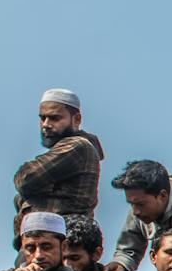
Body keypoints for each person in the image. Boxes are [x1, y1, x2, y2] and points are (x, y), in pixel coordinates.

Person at [13, 90, 105, 242]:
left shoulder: (78, 146)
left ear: (76, 119)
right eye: (42, 118)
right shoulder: (65, 150)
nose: (46, 125)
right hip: (41, 241)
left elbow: (25, 178)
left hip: (60, 242)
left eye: (55, 118)